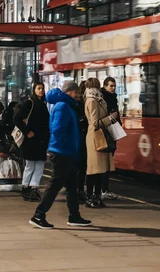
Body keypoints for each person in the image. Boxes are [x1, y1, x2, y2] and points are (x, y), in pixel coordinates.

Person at [29, 81, 91, 229]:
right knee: (55, 184)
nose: (78, 95)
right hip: (62, 152)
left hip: (66, 151)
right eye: (76, 92)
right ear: (69, 92)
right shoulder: (63, 106)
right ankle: (38, 215)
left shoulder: (66, 105)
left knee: (71, 186)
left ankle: (74, 216)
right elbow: (57, 130)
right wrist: (65, 145)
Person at [85, 77, 118, 208]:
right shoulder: (92, 101)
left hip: (100, 136)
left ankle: (97, 197)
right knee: (94, 170)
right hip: (96, 137)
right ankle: (91, 197)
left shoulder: (97, 98)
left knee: (101, 170)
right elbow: (95, 122)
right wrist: (110, 118)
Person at [14, 82, 50, 202]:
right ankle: (26, 187)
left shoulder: (43, 104)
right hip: (31, 140)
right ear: (34, 90)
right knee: (30, 165)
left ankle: (34, 187)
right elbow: (17, 118)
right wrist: (27, 131)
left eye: (42, 88)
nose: (41, 91)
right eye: (38, 88)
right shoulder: (30, 103)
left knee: (39, 164)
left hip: (40, 139)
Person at [100, 77, 119, 201]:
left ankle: (104, 189)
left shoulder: (113, 97)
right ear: (105, 86)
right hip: (106, 133)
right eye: (110, 86)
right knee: (105, 163)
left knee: (108, 162)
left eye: (114, 86)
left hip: (113, 131)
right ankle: (103, 189)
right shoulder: (104, 99)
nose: (113, 88)